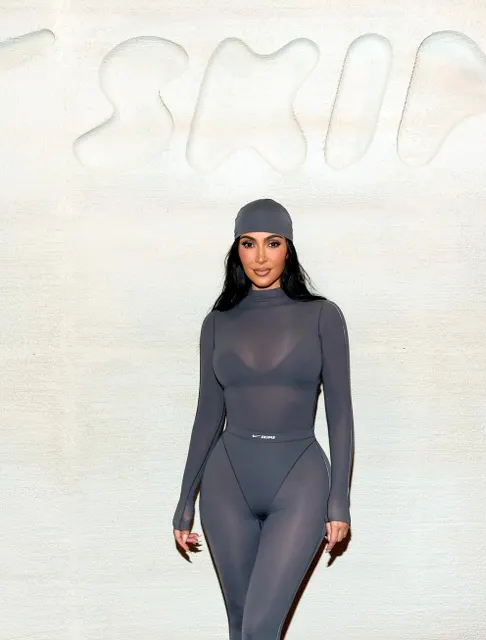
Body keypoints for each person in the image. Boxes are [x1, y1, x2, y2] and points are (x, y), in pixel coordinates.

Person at [171, 198, 355, 639]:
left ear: (288, 248)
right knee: (241, 628)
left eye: (272, 243)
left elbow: (341, 412)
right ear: (236, 250)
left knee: (258, 627)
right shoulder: (217, 323)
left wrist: (339, 500)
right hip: (226, 483)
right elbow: (207, 414)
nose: (260, 256)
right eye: (248, 243)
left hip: (299, 480)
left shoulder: (323, 316)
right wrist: (184, 501)